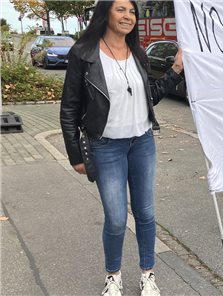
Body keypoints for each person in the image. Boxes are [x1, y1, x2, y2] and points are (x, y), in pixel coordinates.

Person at [59, 1, 183, 295]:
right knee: (116, 219)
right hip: (105, 147)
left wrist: (176, 68)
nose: (128, 16)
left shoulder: (137, 53)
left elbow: (149, 96)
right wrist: (75, 155)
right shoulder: (84, 53)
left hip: (142, 143)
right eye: (121, 10)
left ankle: (147, 274)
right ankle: (113, 276)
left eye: (132, 11)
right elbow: (69, 108)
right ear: (105, 13)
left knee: (146, 214)